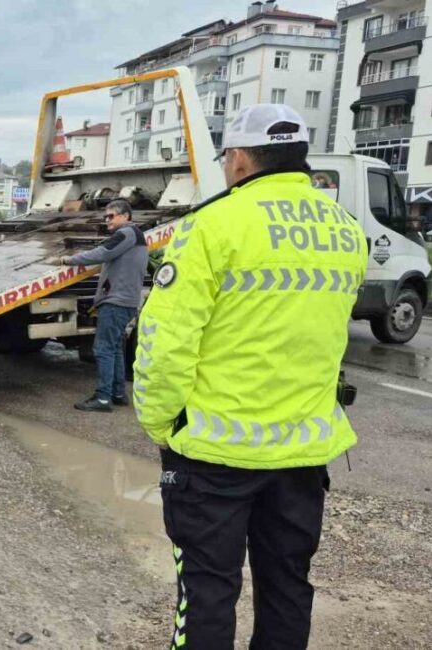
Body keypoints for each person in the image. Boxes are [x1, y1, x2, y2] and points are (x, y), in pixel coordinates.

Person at [133, 104, 367, 649]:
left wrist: (162, 423)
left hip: (215, 454)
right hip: (304, 455)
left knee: (209, 590)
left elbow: (165, 343)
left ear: (238, 159)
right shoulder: (346, 231)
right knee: (288, 587)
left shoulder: (211, 226)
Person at [60, 198, 148, 412]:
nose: (107, 220)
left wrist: (69, 260)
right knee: (115, 348)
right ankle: (118, 394)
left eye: (111, 216)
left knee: (103, 349)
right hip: (125, 301)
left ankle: (102, 398)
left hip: (116, 302)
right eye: (105, 216)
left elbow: (102, 252)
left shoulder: (126, 233)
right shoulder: (135, 236)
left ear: (125, 216)